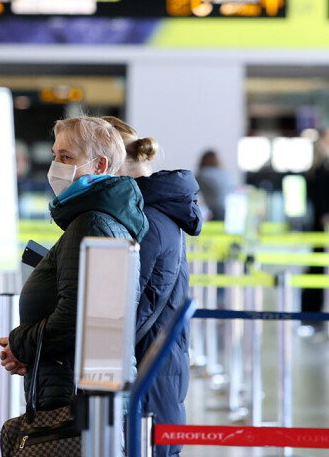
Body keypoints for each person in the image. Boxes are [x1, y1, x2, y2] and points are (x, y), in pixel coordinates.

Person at [0, 117, 149, 413]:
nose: (57, 167)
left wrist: (19, 345)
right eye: (55, 156)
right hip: (74, 385)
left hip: (73, 394)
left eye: (67, 157)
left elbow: (75, 318)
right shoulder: (102, 219)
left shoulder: (91, 222)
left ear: (100, 166)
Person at [105, 116, 202, 457]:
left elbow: (129, 309)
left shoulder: (145, 218)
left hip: (147, 369)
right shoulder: (156, 209)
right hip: (158, 362)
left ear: (108, 161)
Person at [300, 129, 329, 336]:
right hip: (322, 226)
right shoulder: (322, 167)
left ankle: (311, 316)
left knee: (315, 268)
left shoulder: (315, 167)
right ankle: (312, 316)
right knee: (317, 270)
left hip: (317, 226)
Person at [195, 150, 236, 220]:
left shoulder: (202, 174)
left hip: (216, 210)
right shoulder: (225, 174)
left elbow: (191, 191)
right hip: (232, 208)